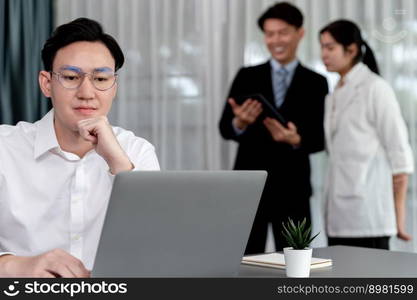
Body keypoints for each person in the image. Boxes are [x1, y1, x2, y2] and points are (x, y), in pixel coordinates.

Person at [0, 18, 160, 277]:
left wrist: (118, 163)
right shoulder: (4, 149)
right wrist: (16, 266)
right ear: (46, 83)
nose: (87, 92)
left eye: (100, 78)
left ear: (114, 87)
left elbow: (158, 244)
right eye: (72, 77)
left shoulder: (137, 151)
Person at [219, 2, 328, 254]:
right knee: (245, 261)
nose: (275, 40)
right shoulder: (246, 76)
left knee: (296, 265)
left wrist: (295, 139)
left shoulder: (316, 83)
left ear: (300, 33)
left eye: (283, 32)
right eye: (269, 34)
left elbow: (320, 139)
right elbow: (225, 128)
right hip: (250, 188)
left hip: (293, 189)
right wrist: (240, 123)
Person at [319, 20, 414, 249]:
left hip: (370, 216)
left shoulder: (375, 88)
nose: (323, 54)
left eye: (330, 48)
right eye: (322, 47)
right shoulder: (333, 94)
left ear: (351, 50)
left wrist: (398, 220)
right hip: (337, 216)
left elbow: (400, 156)